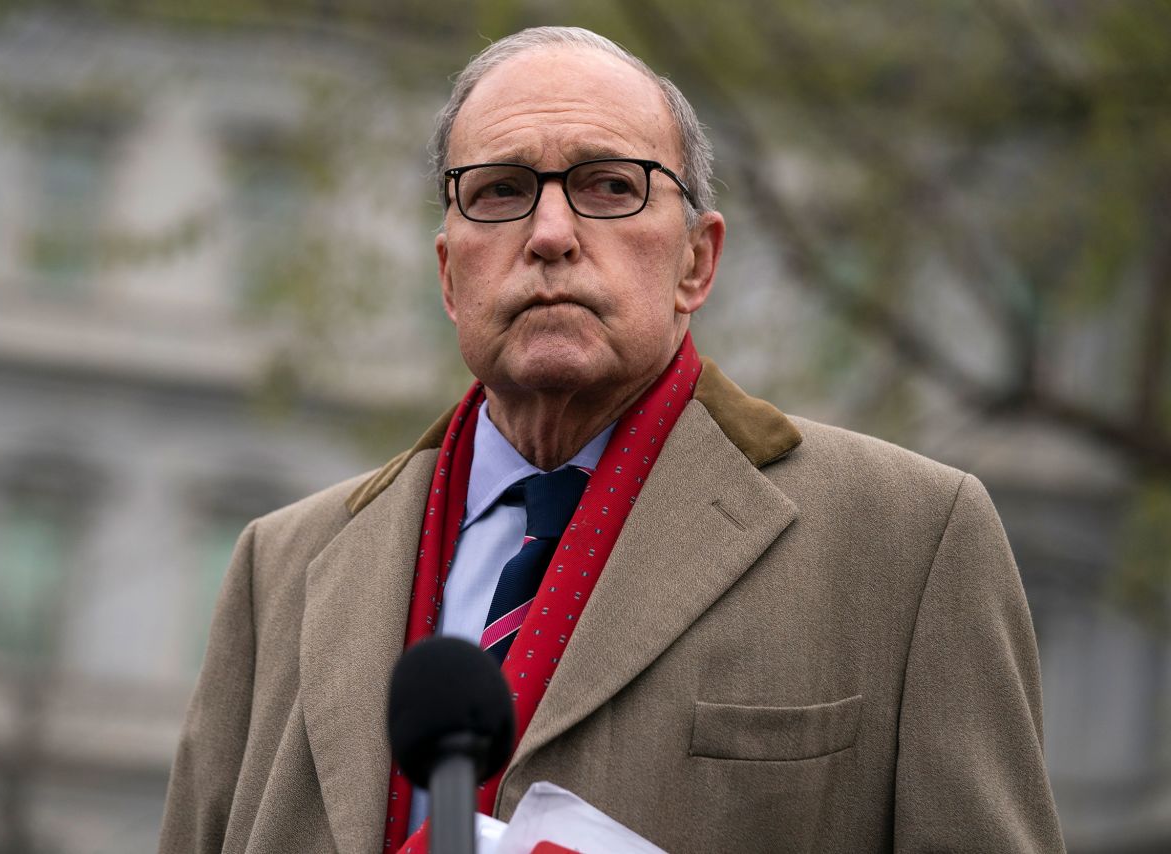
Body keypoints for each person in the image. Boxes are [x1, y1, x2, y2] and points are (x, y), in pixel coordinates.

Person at [159, 26, 1065, 854]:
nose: (550, 234)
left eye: (608, 186)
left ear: (696, 261)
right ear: (448, 273)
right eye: (501, 191)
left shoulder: (906, 541)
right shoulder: (278, 570)